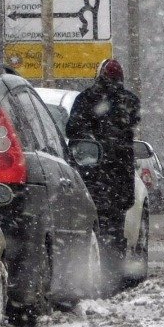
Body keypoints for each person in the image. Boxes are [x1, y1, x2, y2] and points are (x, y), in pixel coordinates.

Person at [67, 59, 140, 286]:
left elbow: (71, 130)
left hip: (92, 175)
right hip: (119, 179)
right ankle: (113, 275)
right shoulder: (130, 101)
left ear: (99, 75)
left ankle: (91, 273)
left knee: (91, 225)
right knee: (115, 226)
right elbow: (131, 128)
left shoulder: (85, 99)